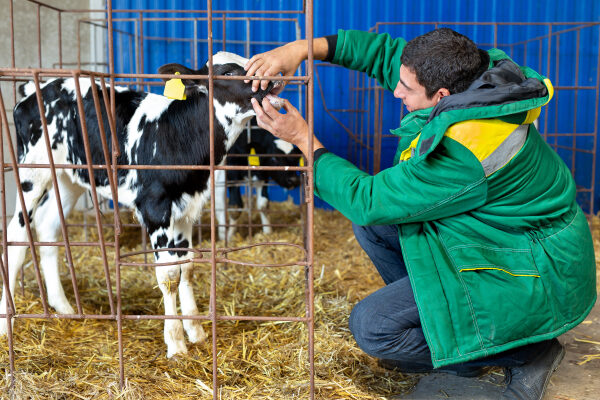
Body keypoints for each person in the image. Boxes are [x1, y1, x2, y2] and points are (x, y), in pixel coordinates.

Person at [245, 28, 597, 400]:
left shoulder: (463, 151)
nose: (396, 91)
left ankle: (526, 351)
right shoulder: (481, 74)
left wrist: (303, 139)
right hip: (499, 231)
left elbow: (366, 198)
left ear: (440, 97)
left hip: (532, 265)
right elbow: (384, 53)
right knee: (375, 227)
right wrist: (298, 49)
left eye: (406, 89)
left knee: (374, 328)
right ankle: (452, 328)